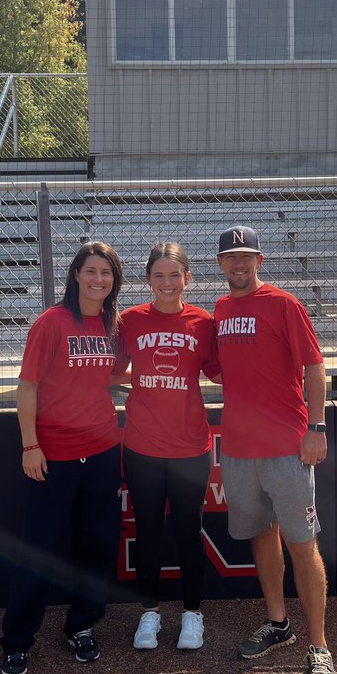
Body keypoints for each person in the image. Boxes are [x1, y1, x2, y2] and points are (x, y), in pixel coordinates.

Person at [214, 225, 337, 674]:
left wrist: (317, 427)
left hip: (287, 445)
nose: (238, 264)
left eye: (246, 256)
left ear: (259, 260)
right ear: (220, 264)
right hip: (240, 448)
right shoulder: (222, 310)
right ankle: (277, 623)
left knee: (302, 544)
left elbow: (313, 365)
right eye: (230, 258)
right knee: (261, 538)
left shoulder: (284, 304)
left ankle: (319, 647)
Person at [0, 241, 124, 674]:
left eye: (106, 273)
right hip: (54, 456)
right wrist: (30, 444)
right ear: (75, 275)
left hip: (104, 451)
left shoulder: (113, 323)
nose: (98, 280)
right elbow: (27, 387)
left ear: (115, 280)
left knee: (97, 547)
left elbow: (112, 374)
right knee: (40, 551)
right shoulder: (52, 322)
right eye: (90, 271)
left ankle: (82, 626)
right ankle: (16, 641)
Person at [113, 242, 220, 651]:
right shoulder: (131, 321)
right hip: (142, 446)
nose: (167, 283)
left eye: (175, 275)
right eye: (159, 275)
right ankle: (149, 613)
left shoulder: (203, 322)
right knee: (148, 531)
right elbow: (110, 370)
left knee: (188, 532)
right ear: (148, 281)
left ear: (187, 278)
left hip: (191, 446)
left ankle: (193, 614)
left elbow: (218, 373)